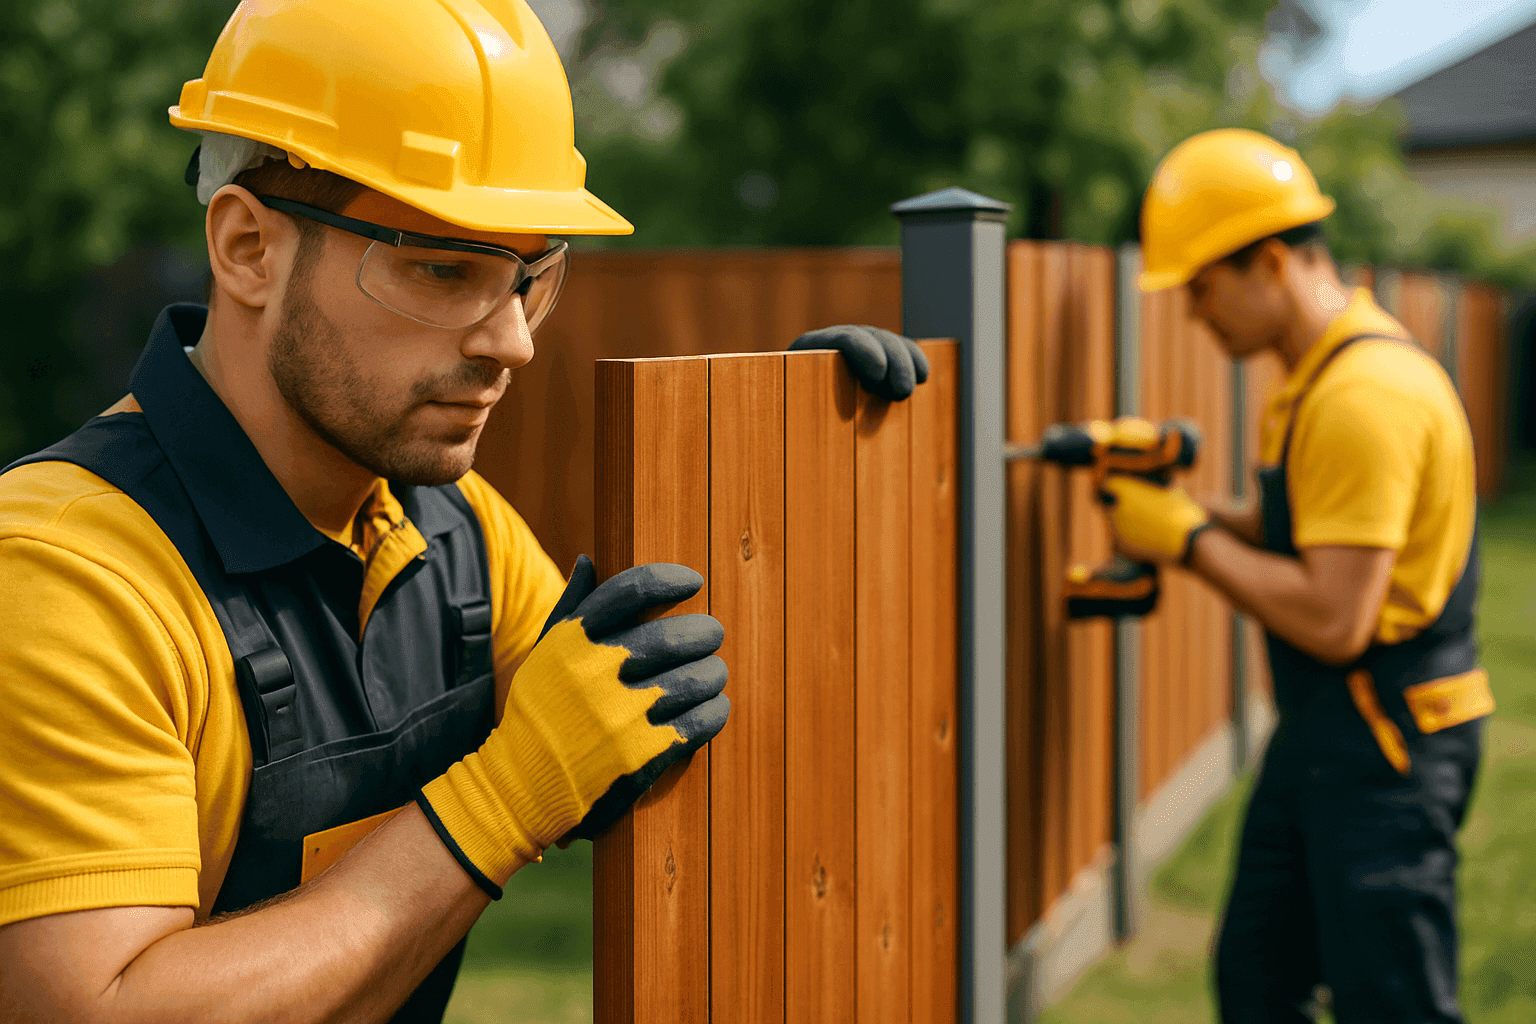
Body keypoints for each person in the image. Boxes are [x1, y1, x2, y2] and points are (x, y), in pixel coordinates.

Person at [0, 2, 927, 1021]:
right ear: (248, 247)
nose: (511, 343)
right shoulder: (64, 574)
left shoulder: (452, 533)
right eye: (443, 269)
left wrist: (783, 474)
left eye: (530, 279)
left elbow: (639, 727)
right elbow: (97, 1009)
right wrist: (500, 802)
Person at [1101, 128, 1493, 1023]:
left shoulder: (1363, 397)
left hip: (1387, 742)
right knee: (1259, 978)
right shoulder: (1318, 379)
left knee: (1391, 1002)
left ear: (1270, 262)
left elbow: (1334, 616)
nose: (1194, 315)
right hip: (1330, 729)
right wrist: (1186, 507)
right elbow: (1317, 537)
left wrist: (1190, 539)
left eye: (1201, 288)